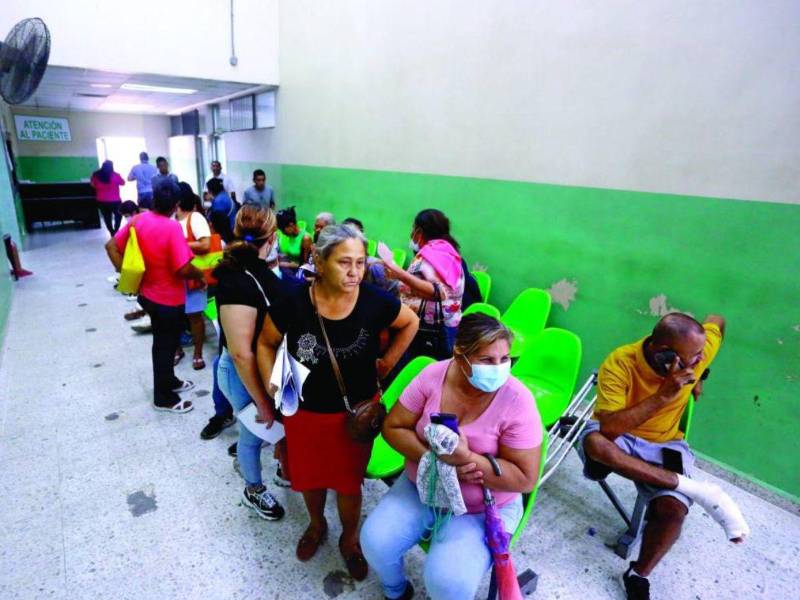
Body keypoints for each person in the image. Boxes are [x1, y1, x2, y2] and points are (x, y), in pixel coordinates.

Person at [256, 224, 418, 580]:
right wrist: (272, 385)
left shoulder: (375, 301)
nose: (355, 272)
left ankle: (350, 538)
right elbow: (266, 343)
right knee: (310, 479)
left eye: (360, 263)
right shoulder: (294, 302)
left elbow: (411, 322)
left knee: (348, 484)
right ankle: (316, 526)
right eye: (344, 262)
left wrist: (388, 362)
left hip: (353, 416)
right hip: (304, 411)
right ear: (319, 260)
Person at [361, 313, 543, 600]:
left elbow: (525, 477)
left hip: (480, 507)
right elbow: (393, 427)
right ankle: (396, 590)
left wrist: (467, 458)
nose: (499, 369)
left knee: (448, 584)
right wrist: (438, 465)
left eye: (505, 359)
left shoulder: (517, 401)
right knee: (375, 542)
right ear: (460, 355)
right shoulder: (433, 376)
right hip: (423, 487)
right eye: (487, 360)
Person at [581, 312, 749, 600]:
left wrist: (701, 377)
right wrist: (663, 395)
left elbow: (718, 320)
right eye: (691, 359)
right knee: (596, 443)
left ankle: (638, 574)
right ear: (663, 355)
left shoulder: (697, 353)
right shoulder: (621, 362)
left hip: (666, 444)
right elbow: (609, 428)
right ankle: (691, 487)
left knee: (673, 511)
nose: (697, 362)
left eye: (700, 357)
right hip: (620, 435)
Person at [215, 204, 298, 520]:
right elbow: (241, 353)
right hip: (242, 373)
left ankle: (278, 465)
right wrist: (263, 401)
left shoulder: (259, 268)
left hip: (267, 366)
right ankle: (253, 490)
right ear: (273, 235)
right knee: (253, 434)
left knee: (273, 427)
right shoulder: (236, 279)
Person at [105, 184, 205, 412]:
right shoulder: (171, 228)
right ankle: (163, 398)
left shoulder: (138, 220)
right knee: (164, 346)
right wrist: (200, 275)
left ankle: (169, 381)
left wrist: (128, 275)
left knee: (164, 344)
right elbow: (182, 268)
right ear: (176, 204)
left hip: (147, 295)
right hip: (167, 300)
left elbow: (111, 246)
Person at [384, 209, 465, 357]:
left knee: (419, 368)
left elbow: (438, 291)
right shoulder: (448, 252)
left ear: (419, 231)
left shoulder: (429, 258)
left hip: (428, 330)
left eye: (412, 228)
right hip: (449, 326)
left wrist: (399, 274)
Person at [175, 183, 211, 370]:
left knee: (194, 316)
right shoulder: (170, 219)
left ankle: (197, 353)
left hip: (193, 275)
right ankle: (178, 349)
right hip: (174, 276)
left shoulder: (195, 218)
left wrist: (177, 244)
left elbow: (205, 245)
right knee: (174, 316)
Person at [90, 160, 125, 236]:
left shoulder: (95, 175)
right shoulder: (115, 175)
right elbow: (123, 183)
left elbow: (92, 185)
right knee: (119, 215)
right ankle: (116, 230)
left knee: (107, 217)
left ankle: (111, 232)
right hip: (115, 201)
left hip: (102, 200)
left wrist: (99, 187)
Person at [275, 206, 312, 270]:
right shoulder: (286, 236)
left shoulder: (305, 239)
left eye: (283, 230)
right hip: (286, 265)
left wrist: (284, 264)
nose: (282, 232)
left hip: (298, 271)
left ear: (291, 225)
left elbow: (305, 266)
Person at [207, 177, 237, 243]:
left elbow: (217, 221)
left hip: (226, 235)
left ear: (211, 190)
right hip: (231, 231)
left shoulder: (219, 201)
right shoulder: (224, 195)